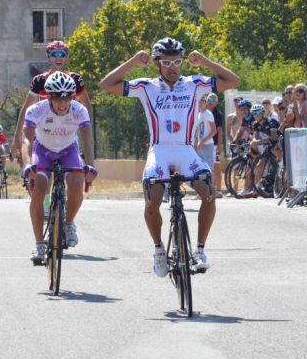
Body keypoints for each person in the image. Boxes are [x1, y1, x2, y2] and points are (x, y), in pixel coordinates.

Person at [99, 37, 239, 276]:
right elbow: (106, 85)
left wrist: (205, 61)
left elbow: (233, 81)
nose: (172, 67)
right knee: (153, 202)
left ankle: (200, 250)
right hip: (159, 150)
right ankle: (158, 249)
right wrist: (133, 62)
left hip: (186, 150)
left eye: (177, 62)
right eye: (166, 62)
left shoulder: (195, 84)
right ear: (157, 64)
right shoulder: (147, 87)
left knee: (208, 193)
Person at [22, 72, 97, 261]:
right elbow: (27, 140)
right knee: (39, 190)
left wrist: (90, 165)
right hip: (43, 151)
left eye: (67, 98)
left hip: (68, 150)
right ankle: (39, 244)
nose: (62, 104)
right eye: (57, 99)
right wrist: (27, 163)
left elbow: (88, 140)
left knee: (77, 184)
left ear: (73, 97)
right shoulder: (36, 110)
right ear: (49, 97)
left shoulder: (79, 111)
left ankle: (69, 223)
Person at [12, 40, 93, 214]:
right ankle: (47, 203)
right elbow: (26, 109)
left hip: (67, 129)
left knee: (74, 175)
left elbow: (87, 106)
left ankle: (67, 215)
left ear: (67, 58)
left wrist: (88, 130)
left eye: (62, 54)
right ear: (48, 57)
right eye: (54, 54)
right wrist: (17, 138)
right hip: (43, 128)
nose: (58, 58)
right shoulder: (39, 80)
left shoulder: (75, 79)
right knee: (44, 172)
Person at [206, 93, 223, 197]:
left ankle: (219, 190)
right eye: (209, 100)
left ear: (216, 102)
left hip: (215, 144)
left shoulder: (217, 114)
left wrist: (220, 145)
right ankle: (208, 189)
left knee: (216, 166)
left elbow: (219, 131)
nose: (210, 102)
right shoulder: (204, 113)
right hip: (206, 145)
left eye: (213, 100)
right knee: (207, 167)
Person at [194, 97, 217, 173]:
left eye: (202, 101)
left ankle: (212, 181)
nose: (200, 103)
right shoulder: (198, 115)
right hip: (199, 146)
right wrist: (196, 145)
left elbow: (214, 131)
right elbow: (197, 132)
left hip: (207, 145)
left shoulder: (208, 114)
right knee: (200, 170)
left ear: (205, 103)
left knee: (209, 169)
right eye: (199, 102)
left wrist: (202, 142)